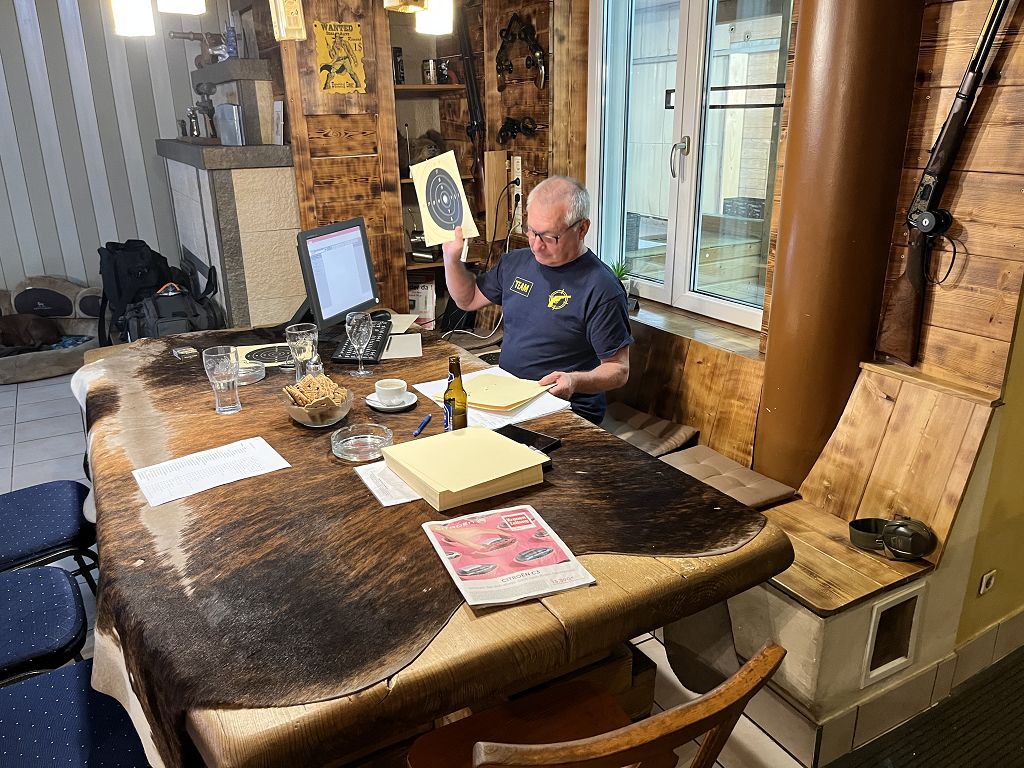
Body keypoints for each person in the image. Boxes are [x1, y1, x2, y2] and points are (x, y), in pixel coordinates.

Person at [441, 175, 632, 424]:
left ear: (582, 228)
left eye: (550, 237)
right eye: (531, 231)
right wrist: (451, 259)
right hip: (507, 396)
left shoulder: (602, 288)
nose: (536, 245)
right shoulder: (515, 263)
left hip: (565, 408)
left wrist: (575, 381)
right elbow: (467, 300)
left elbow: (619, 369)